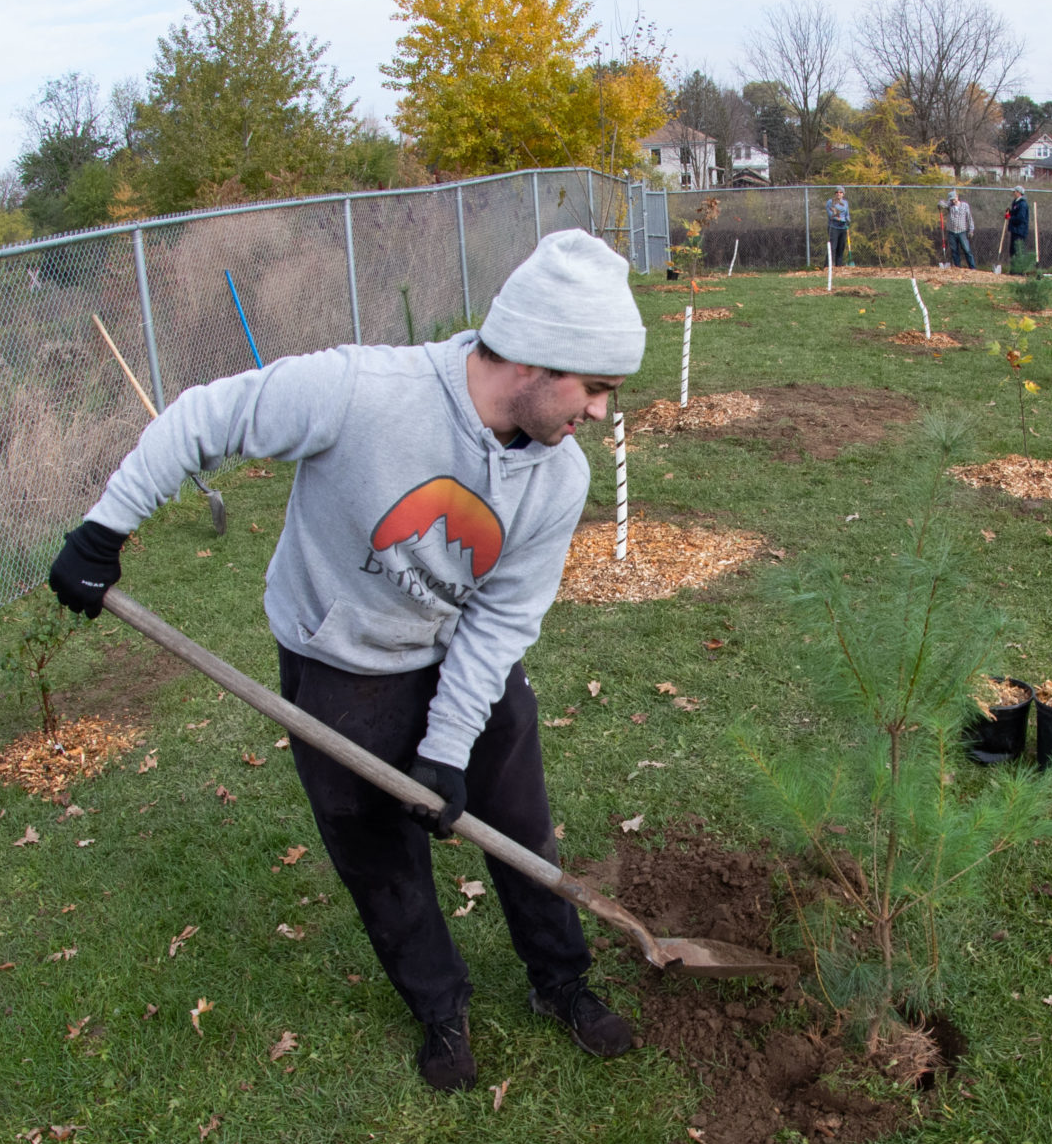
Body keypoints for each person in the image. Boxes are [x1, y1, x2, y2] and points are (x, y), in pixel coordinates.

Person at [46, 230, 643, 1093]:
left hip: (456, 655)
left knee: (519, 823)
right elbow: (205, 419)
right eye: (595, 388)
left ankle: (562, 980)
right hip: (339, 658)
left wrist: (446, 745)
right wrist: (104, 528)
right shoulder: (362, 391)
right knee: (375, 850)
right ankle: (441, 1008)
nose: (597, 412)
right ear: (541, 362)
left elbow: (503, 619)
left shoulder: (559, 477)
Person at [945, 191, 976, 269]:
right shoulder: (949, 206)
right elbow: (941, 204)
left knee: (967, 250)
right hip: (951, 232)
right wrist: (940, 205)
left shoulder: (965, 206)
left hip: (962, 232)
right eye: (951, 200)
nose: (953, 201)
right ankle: (957, 268)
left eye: (954, 199)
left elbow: (969, 218)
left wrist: (971, 229)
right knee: (954, 251)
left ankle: (972, 268)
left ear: (957, 197)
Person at [825, 188, 850, 267]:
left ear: (843, 194)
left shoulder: (845, 203)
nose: (838, 193)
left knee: (841, 248)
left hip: (843, 228)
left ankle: (838, 267)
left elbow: (847, 214)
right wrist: (840, 219)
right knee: (832, 248)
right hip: (833, 227)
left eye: (840, 192)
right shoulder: (830, 202)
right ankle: (827, 267)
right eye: (837, 192)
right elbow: (831, 215)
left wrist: (848, 220)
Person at [1005, 189, 1032, 263]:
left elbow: (1021, 218)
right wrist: (1009, 212)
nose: (1013, 193)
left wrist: (1010, 218)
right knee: (1012, 250)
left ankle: (1019, 271)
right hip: (1014, 230)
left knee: (1018, 251)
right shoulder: (1016, 203)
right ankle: (1013, 269)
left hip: (1020, 231)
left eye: (1014, 192)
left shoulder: (1023, 204)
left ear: (1019, 193)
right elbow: (1015, 212)